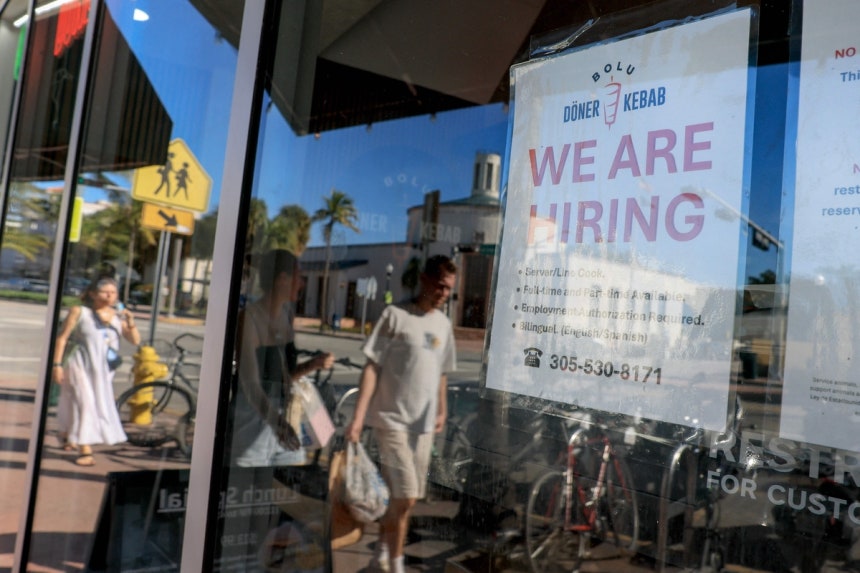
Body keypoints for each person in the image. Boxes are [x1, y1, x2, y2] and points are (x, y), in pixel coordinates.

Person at [345, 255, 457, 573]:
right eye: (439, 286)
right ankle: (396, 565)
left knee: (401, 499)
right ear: (424, 279)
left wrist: (443, 410)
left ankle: (378, 555)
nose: (443, 294)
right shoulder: (394, 316)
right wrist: (357, 418)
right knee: (406, 498)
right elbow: (372, 365)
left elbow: (442, 372)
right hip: (390, 421)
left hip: (423, 426)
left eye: (449, 289)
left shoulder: (444, 324)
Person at [230, 248, 335, 467]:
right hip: (253, 420)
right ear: (282, 279)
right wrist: (278, 424)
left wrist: (313, 364)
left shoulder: (287, 315)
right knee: (247, 489)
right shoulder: (249, 318)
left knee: (283, 488)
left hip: (284, 418)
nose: (302, 283)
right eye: (299, 276)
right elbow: (250, 384)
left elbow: (283, 377)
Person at [52, 277, 140, 466]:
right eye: (105, 292)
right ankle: (85, 448)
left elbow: (135, 341)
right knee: (86, 404)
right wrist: (57, 365)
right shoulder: (80, 312)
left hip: (103, 372)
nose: (109, 296)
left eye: (113, 292)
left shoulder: (116, 316)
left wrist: (130, 321)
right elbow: (62, 338)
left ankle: (68, 433)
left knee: (83, 403)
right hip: (79, 365)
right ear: (93, 293)